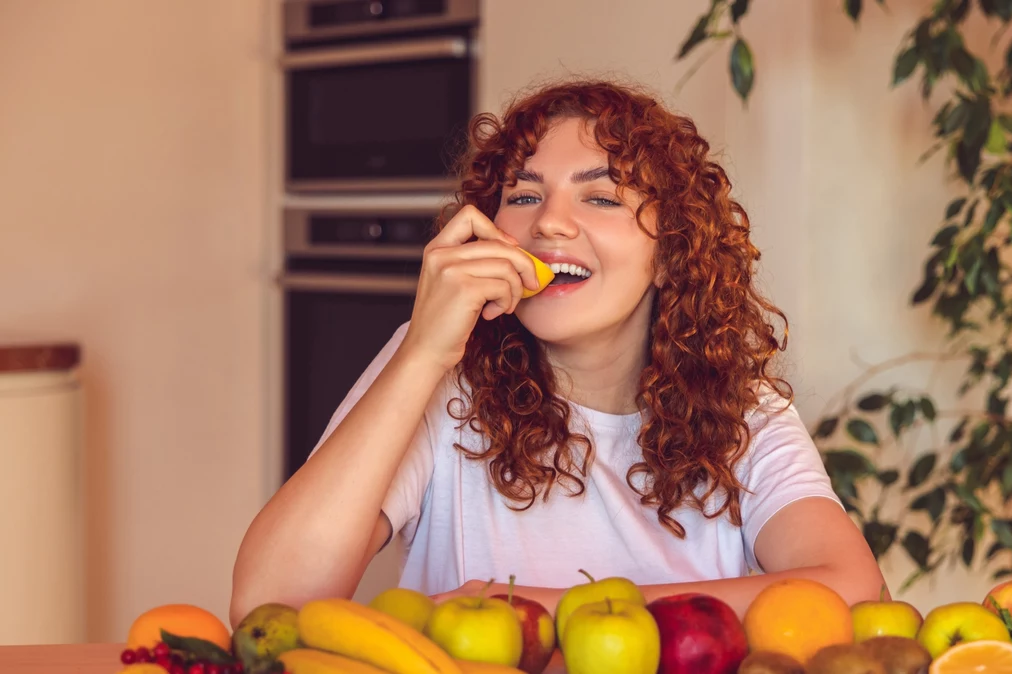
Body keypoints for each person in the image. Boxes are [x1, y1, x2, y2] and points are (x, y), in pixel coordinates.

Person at [230, 79, 885, 626]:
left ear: (671, 255)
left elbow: (853, 589)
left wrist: (541, 611)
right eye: (522, 195)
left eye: (600, 196)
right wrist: (423, 353)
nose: (549, 221)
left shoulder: (747, 415)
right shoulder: (439, 374)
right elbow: (270, 603)